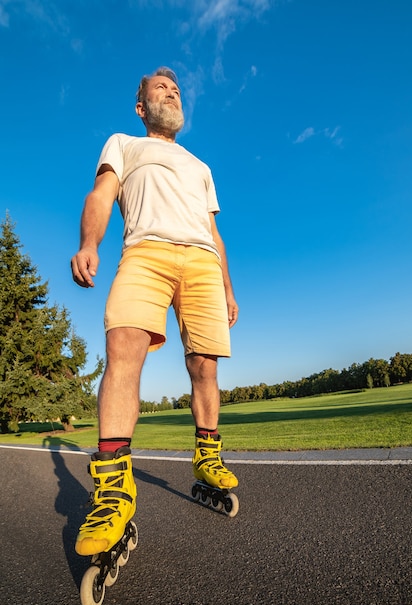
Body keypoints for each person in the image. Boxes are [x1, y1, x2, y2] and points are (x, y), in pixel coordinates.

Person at [71, 67, 239, 556]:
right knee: (123, 347)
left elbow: (215, 232)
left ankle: (207, 454)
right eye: (160, 88)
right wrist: (89, 242)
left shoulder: (200, 166)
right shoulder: (123, 143)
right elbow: (102, 194)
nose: (173, 91)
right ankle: (112, 489)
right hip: (144, 251)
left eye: (177, 89)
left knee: (203, 364)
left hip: (203, 263)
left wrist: (228, 287)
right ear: (141, 106)